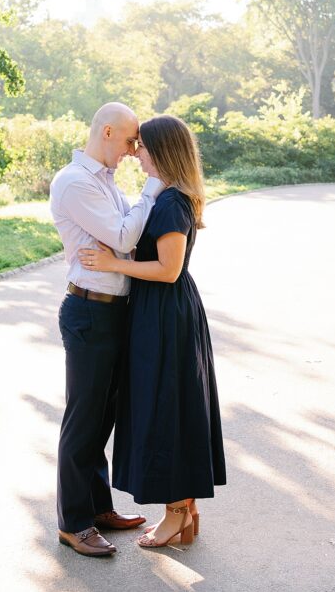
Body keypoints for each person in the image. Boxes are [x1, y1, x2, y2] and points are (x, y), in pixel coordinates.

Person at [79, 114, 226, 548]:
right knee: (171, 406)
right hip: (161, 312)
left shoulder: (172, 202)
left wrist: (112, 264)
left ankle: (176, 514)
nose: (135, 152)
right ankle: (187, 512)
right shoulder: (167, 197)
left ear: (161, 152)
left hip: (166, 315)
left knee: (165, 411)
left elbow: (168, 269)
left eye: (141, 146)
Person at [49, 102, 165, 557]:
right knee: (83, 421)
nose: (136, 150)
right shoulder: (75, 182)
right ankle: (73, 523)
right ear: (109, 131)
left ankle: (98, 508)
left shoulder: (105, 182)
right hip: (89, 312)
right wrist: (153, 187)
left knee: (102, 419)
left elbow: (123, 240)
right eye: (133, 140)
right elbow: (123, 238)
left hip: (114, 311)